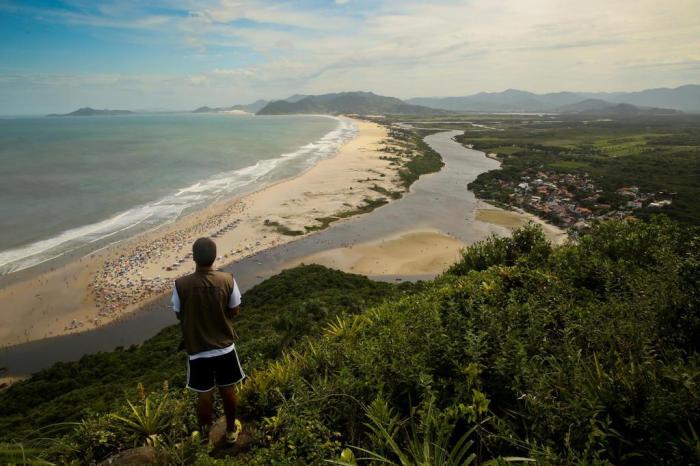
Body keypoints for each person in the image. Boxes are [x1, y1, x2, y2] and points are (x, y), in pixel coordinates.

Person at [171, 237, 245, 444]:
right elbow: (234, 310)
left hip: (197, 350)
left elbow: (178, 313)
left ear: (193, 257)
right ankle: (231, 431)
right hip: (224, 347)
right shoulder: (228, 279)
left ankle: (203, 438)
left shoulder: (180, 284)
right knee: (228, 388)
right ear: (214, 257)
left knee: (204, 394)